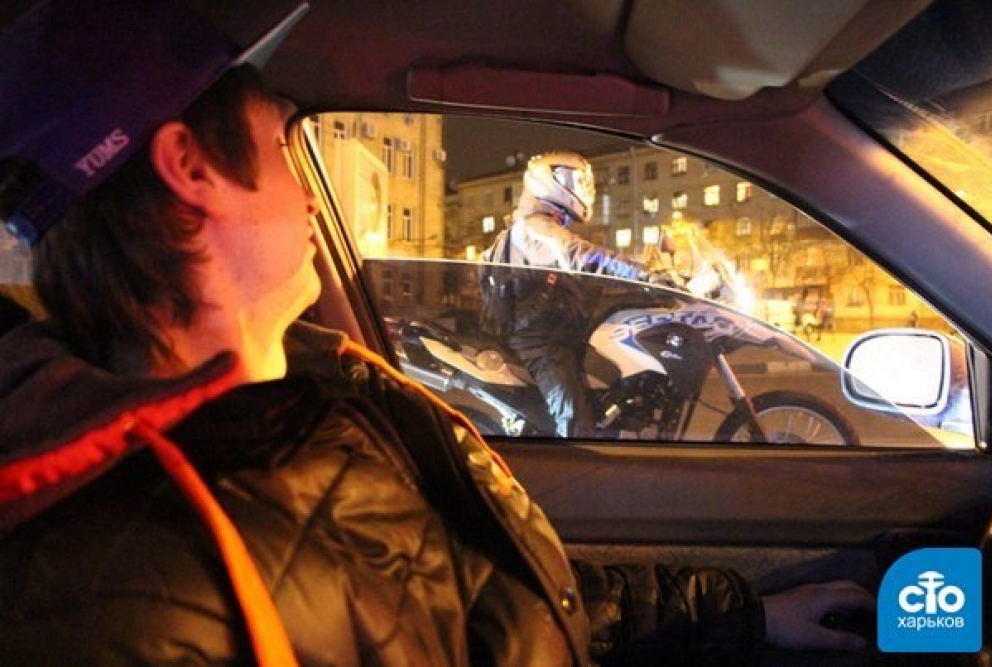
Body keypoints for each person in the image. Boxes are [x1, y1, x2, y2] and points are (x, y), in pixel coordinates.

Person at [0, 1, 874, 664]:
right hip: (536, 337)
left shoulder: (314, 397)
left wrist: (740, 614)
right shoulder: (127, 603)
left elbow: (492, 606)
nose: (309, 198)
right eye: (280, 151)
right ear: (191, 169)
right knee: (567, 398)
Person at [483, 152, 650, 438]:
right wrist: (645, 275)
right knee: (574, 419)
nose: (582, 187)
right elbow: (581, 256)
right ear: (549, 180)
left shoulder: (544, 227)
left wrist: (652, 271)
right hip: (539, 341)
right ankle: (574, 459)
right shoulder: (533, 228)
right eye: (574, 179)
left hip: (560, 332)